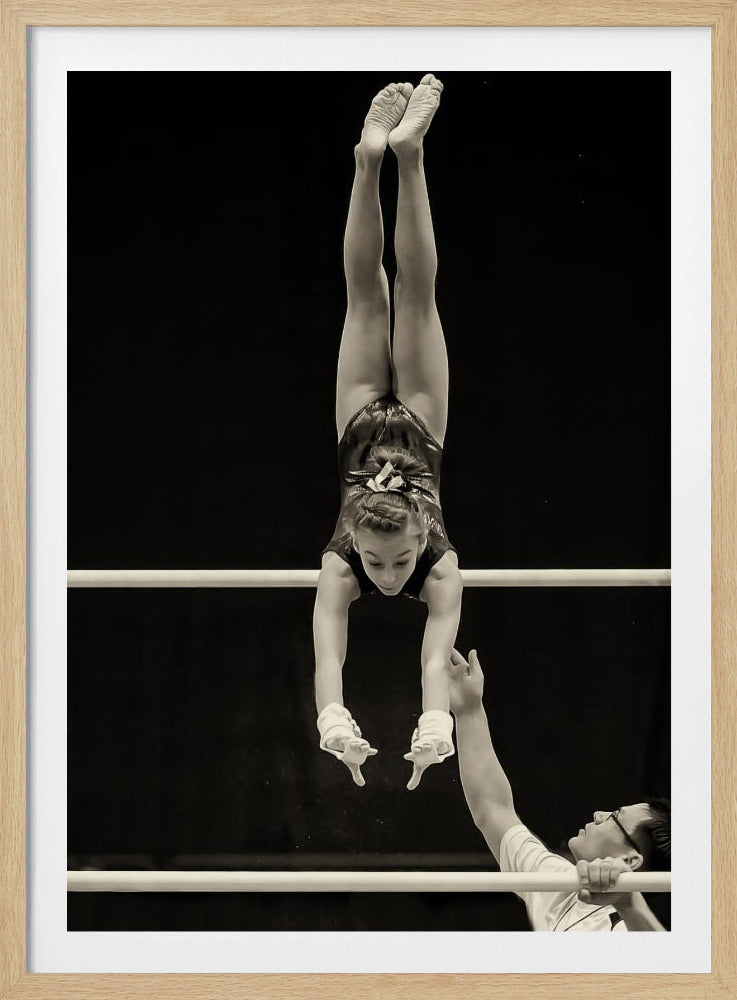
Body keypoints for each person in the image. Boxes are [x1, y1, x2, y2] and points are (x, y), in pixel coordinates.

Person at [313, 75, 463, 791]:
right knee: (414, 292)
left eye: (392, 563)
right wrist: (433, 723)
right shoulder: (439, 563)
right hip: (421, 423)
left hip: (357, 417)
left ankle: (374, 159)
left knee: (368, 290)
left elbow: (328, 662)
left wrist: (334, 718)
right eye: (384, 564)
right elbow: (433, 657)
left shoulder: (338, 563)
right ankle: (408, 155)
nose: (388, 574)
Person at [448, 648, 671, 931]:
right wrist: (468, 711)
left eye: (614, 815)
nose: (599, 813)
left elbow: (673, 971)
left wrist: (629, 903)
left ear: (630, 860)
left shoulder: (628, 933)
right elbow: (493, 810)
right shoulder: (557, 885)